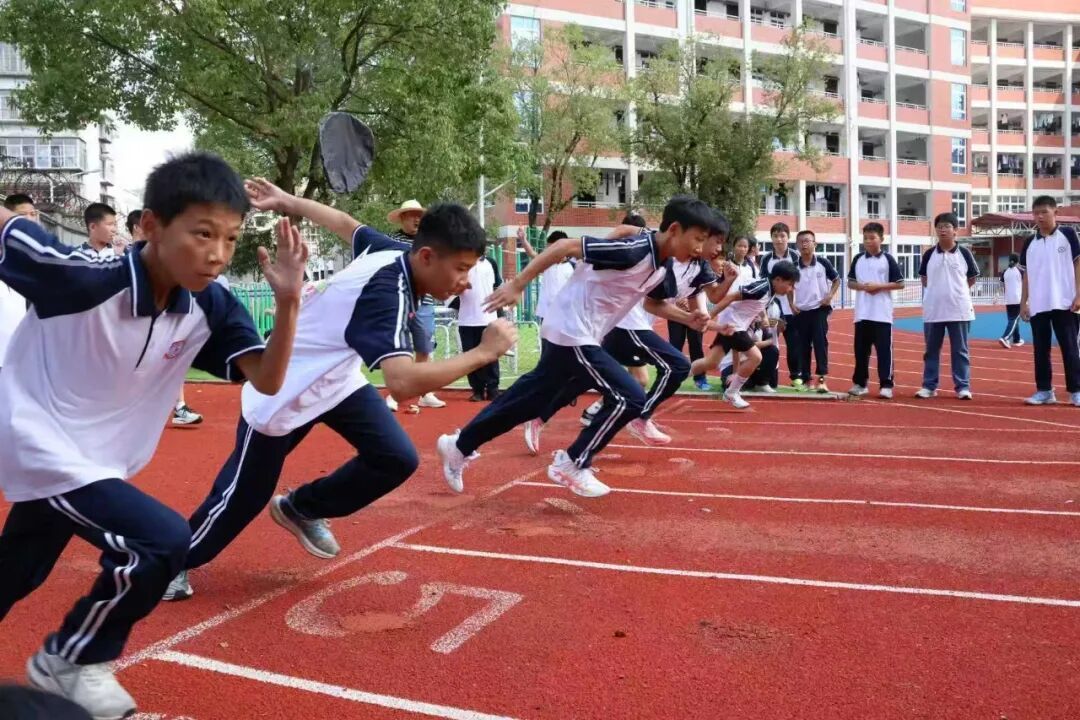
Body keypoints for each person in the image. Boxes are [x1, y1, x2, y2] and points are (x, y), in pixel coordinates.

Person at [0, 152, 307, 718]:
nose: (217, 254)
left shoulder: (210, 303)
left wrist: (288, 303)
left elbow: (266, 378)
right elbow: (9, 228)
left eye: (231, 238)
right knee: (160, 539)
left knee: (16, 571)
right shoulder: (82, 277)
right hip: (41, 442)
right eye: (202, 233)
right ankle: (71, 660)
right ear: (150, 225)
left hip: (100, 459)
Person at [164, 180, 515, 601]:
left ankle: (301, 507)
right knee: (242, 497)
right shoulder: (387, 293)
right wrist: (484, 353)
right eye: (461, 269)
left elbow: (346, 224)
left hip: (336, 380)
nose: (466, 283)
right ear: (426, 256)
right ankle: (170, 563)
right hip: (284, 388)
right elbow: (402, 383)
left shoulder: (392, 250)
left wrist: (288, 200)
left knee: (394, 457)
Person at [436, 196, 716, 499]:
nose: (700, 248)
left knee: (527, 402)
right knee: (630, 396)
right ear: (674, 230)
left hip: (580, 333)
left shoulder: (662, 265)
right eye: (698, 239)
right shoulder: (634, 250)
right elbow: (564, 247)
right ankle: (572, 463)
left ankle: (459, 446)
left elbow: (653, 304)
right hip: (572, 330)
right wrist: (518, 284)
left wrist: (689, 318)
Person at [565, 215, 733, 448]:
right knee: (675, 366)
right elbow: (624, 230)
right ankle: (637, 418)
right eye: (716, 242)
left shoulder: (699, 269)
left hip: (631, 322)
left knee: (627, 381)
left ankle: (550, 409)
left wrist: (714, 322)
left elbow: (702, 309)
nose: (719, 250)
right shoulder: (662, 243)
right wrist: (589, 256)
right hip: (628, 321)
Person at [129, 208, 205, 426]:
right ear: (138, 227)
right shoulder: (123, 259)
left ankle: (179, 407)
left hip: (162, 321)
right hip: (133, 326)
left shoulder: (165, 256)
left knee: (172, 361)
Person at [694, 261, 800, 408]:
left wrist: (763, 317)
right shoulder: (762, 288)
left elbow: (757, 303)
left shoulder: (770, 291)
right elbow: (731, 297)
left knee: (711, 362)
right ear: (778, 279)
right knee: (756, 357)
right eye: (790, 284)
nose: (791, 289)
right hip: (734, 325)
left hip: (731, 326)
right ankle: (731, 393)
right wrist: (709, 317)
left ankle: (679, 372)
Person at [1019, 196, 1080, 406]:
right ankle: (1044, 391)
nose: (1040, 217)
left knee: (1070, 347)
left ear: (1055, 212)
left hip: (1065, 302)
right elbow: (1026, 275)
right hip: (1039, 304)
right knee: (1040, 350)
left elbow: (1078, 264)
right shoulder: (1030, 242)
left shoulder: (1068, 235)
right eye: (1036, 213)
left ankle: (1076, 390)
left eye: (1044, 212)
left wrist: (1079, 294)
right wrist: (1023, 302)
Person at [385, 199, 445, 412]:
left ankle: (424, 393)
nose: (416, 219)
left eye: (419, 215)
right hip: (400, 298)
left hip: (425, 301)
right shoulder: (390, 240)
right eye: (411, 215)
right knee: (398, 347)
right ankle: (394, 395)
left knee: (424, 346)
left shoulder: (429, 241)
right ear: (402, 218)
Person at [916, 212, 979, 400]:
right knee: (931, 350)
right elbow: (924, 279)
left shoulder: (964, 253)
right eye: (939, 227)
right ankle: (929, 386)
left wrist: (955, 292)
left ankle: (963, 387)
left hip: (958, 310)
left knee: (960, 350)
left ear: (955, 230)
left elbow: (971, 279)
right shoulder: (929, 254)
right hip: (933, 309)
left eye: (947, 226)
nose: (943, 230)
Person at [847, 222, 904, 399]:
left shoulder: (888, 259)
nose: (868, 241)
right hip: (862, 313)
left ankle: (886, 385)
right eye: (865, 238)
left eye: (872, 238)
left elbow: (900, 283)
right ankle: (860, 383)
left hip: (882, 314)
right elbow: (850, 282)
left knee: (884, 351)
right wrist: (864, 287)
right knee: (860, 352)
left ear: (881, 239)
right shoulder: (858, 259)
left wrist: (879, 286)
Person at [790, 230, 839, 393]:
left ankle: (822, 380)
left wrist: (829, 296)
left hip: (820, 309)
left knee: (820, 344)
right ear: (797, 245)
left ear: (814, 244)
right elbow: (789, 286)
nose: (804, 244)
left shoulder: (823, 263)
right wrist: (791, 304)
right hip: (801, 311)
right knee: (803, 346)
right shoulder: (793, 266)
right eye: (801, 241)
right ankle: (806, 380)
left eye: (807, 241)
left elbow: (836, 280)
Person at [453, 250, 504, 401]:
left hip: (488, 318)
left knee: (491, 355)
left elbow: (497, 287)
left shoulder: (491, 263)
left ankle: (493, 389)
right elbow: (451, 288)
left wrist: (499, 313)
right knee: (471, 356)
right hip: (467, 320)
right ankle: (477, 390)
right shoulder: (460, 264)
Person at [759, 222, 801, 385]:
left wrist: (791, 303)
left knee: (793, 343)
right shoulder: (766, 258)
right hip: (772, 309)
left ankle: (796, 377)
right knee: (770, 340)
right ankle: (768, 376)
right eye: (775, 236)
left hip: (791, 309)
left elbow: (795, 281)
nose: (779, 239)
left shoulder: (795, 256)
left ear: (788, 237)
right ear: (771, 238)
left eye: (782, 235)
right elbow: (764, 282)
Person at [0, 194, 34, 372]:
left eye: (32, 214)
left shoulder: (41, 258)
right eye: (22, 215)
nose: (29, 220)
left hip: (29, 357)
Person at [528, 229, 575, 324]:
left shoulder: (572, 267)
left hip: (565, 314)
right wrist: (523, 240)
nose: (549, 253)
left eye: (551, 250)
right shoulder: (548, 264)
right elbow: (533, 254)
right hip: (546, 313)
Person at [999, 253, 1024, 348]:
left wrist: (997, 296)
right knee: (1014, 320)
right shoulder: (1021, 271)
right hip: (1018, 299)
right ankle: (1005, 337)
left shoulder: (1005, 272)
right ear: (1018, 261)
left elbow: (1001, 285)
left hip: (1008, 299)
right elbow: (1027, 284)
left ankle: (1017, 339)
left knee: (1013, 319)